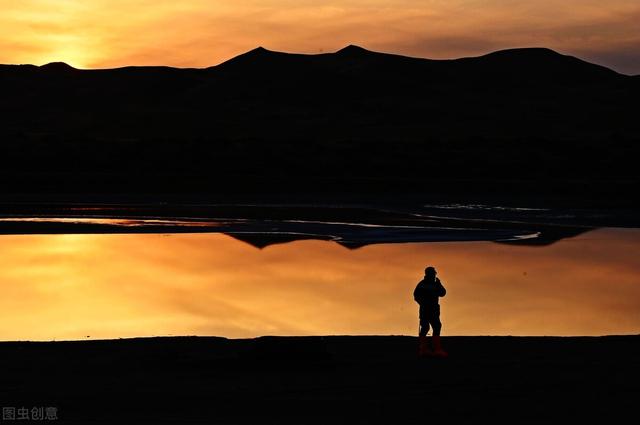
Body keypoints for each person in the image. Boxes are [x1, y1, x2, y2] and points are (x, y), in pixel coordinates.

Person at [413, 266, 447, 357]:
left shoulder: (431, 284)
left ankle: (434, 349)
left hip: (432, 310)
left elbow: (443, 293)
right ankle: (425, 349)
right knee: (426, 327)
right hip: (427, 310)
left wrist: (439, 284)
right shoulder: (423, 284)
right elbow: (416, 296)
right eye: (433, 273)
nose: (434, 275)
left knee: (435, 326)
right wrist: (423, 303)